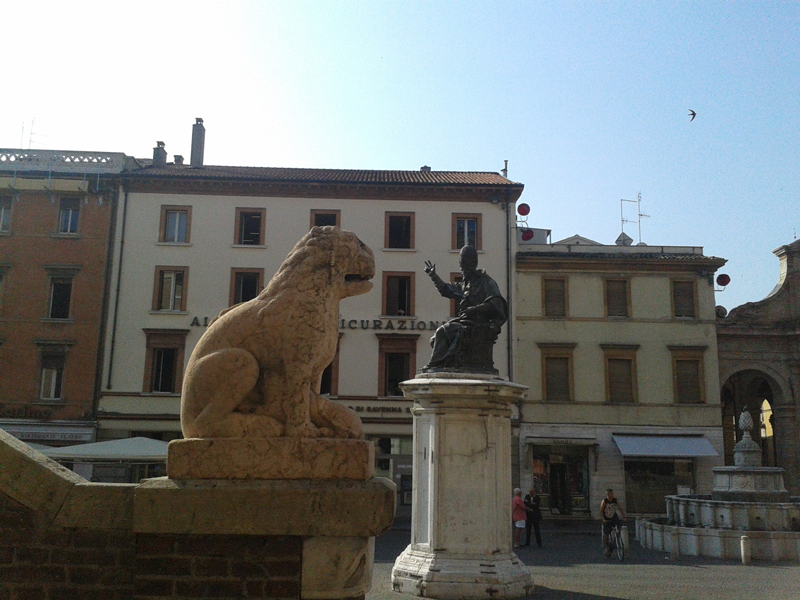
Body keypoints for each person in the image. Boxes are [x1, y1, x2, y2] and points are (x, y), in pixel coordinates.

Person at [422, 245, 507, 371]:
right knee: (437, 337)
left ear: (471, 267)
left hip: (479, 322)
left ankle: (434, 364)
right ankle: (442, 365)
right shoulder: (465, 285)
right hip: (464, 321)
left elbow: (496, 304)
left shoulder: (487, 282)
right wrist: (433, 276)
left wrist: (474, 309)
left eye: (464, 268)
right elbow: (446, 289)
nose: (462, 271)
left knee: (443, 331)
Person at [601, 488, 625, 556]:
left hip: (614, 516)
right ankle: (606, 547)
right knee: (606, 533)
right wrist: (603, 519)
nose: (611, 495)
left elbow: (620, 508)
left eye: (612, 494)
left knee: (619, 526)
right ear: (607, 495)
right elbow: (601, 510)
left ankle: (617, 539)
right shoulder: (604, 501)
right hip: (606, 517)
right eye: (609, 494)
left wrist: (624, 516)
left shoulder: (615, 500)